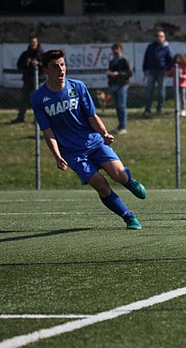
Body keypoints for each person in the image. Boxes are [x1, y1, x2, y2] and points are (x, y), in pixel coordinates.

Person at [31, 50, 146, 230]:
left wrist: (104, 133)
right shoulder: (38, 98)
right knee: (101, 185)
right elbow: (47, 131)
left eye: (62, 65)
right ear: (45, 70)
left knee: (119, 175)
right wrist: (57, 155)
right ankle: (129, 217)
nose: (61, 69)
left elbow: (92, 116)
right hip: (73, 152)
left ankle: (129, 182)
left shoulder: (77, 87)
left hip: (94, 142)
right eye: (55, 66)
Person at [142, 29, 174, 117]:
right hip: (151, 71)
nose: (159, 38)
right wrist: (145, 68)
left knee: (161, 91)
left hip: (161, 72)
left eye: (161, 36)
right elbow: (146, 58)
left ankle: (159, 109)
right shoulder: (151, 46)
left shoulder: (166, 47)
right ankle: (147, 109)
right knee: (149, 90)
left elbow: (171, 60)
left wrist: (167, 69)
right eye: (157, 36)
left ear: (164, 37)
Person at [11, 35, 43, 124]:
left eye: (35, 43)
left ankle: (37, 119)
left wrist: (38, 64)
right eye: (31, 43)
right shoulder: (25, 54)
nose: (33, 44)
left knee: (37, 100)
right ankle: (20, 117)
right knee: (24, 99)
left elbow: (45, 66)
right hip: (28, 80)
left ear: (37, 43)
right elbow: (19, 66)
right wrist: (27, 64)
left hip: (38, 81)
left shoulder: (41, 54)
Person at [106, 43, 133, 134]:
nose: (115, 51)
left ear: (120, 50)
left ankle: (123, 126)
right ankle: (120, 125)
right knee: (117, 106)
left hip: (122, 85)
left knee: (122, 106)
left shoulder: (124, 60)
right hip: (113, 85)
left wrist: (118, 74)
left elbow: (129, 73)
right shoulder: (112, 61)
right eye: (114, 49)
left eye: (117, 49)